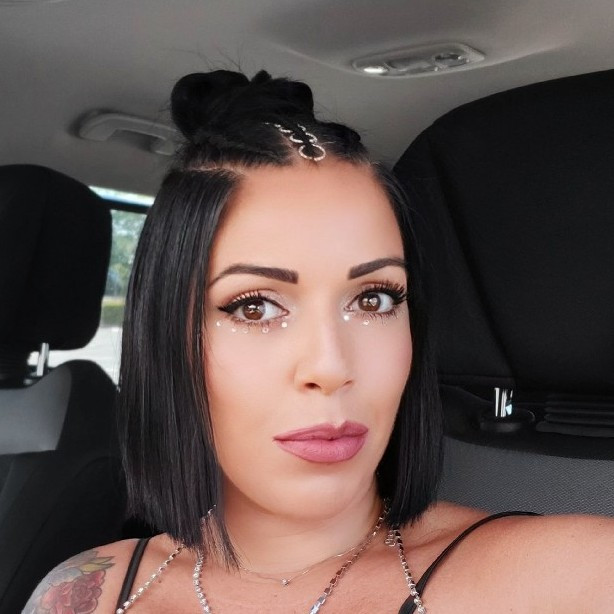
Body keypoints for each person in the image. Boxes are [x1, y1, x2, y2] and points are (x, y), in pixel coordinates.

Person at [25, 70, 614, 614]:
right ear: (167, 338)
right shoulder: (84, 592)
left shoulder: (575, 579)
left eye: (374, 300)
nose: (331, 366)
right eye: (255, 307)